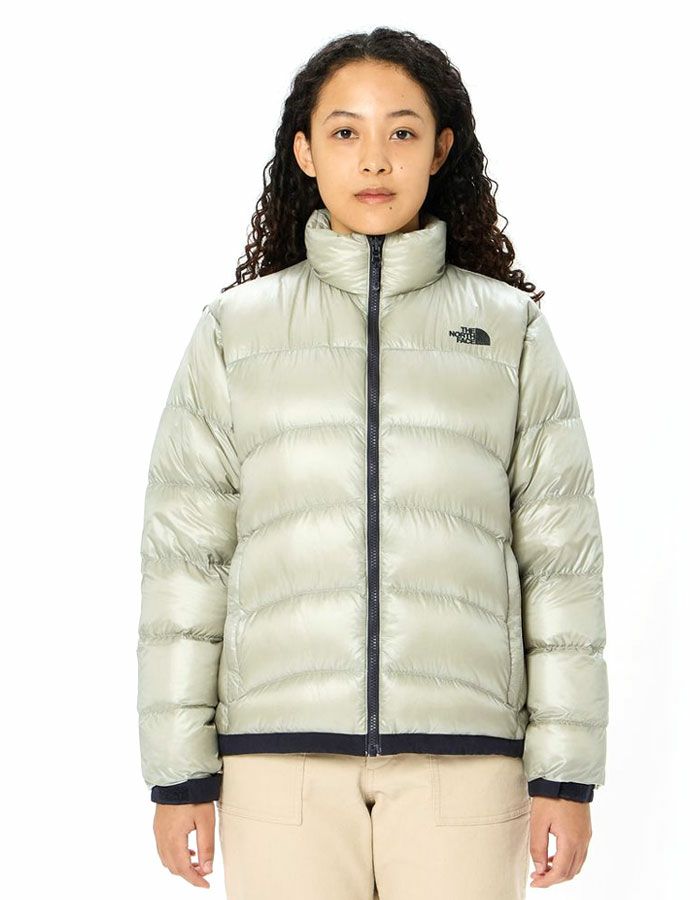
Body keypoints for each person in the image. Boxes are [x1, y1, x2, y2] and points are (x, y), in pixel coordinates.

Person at [136, 27, 608, 899]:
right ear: (306, 152)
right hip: (277, 763)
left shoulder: (510, 331)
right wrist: (178, 774)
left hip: (466, 761)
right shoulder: (236, 331)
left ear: (441, 149)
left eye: (402, 131)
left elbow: (561, 563)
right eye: (346, 131)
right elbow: (186, 562)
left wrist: (565, 775)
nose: (375, 159)